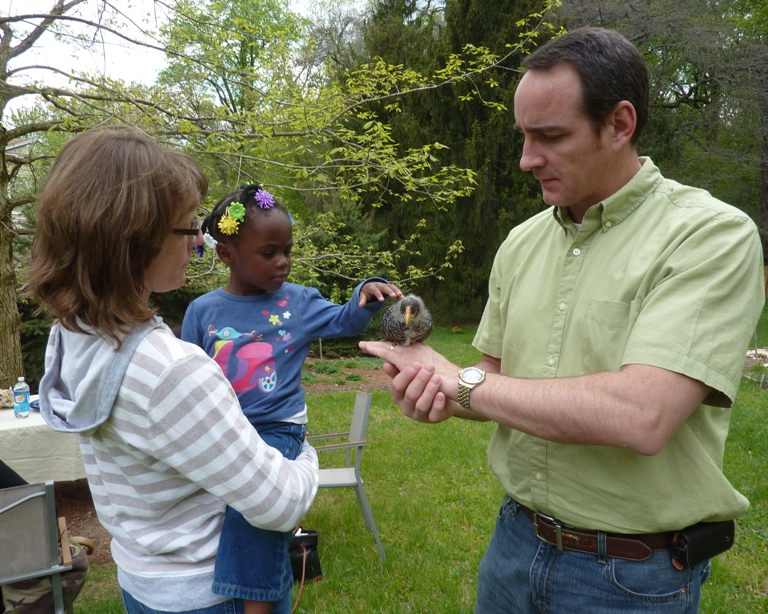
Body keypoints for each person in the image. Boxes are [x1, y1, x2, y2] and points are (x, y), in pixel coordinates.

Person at [360, 27, 766, 613]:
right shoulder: (521, 243)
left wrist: (463, 384)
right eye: (524, 136)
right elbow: (492, 376)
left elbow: (642, 415)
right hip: (513, 546)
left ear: (620, 124)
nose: (527, 160)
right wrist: (434, 392)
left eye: (550, 136)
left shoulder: (708, 235)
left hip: (633, 577)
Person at [24, 127, 319, 614]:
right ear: (134, 240)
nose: (199, 240)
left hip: (144, 584)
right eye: (187, 227)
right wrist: (300, 444)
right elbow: (279, 502)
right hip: (210, 593)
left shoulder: (72, 335)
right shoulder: (170, 370)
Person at [181, 183, 401, 614]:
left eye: (288, 250)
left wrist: (364, 295)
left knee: (256, 505)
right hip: (221, 427)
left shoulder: (296, 302)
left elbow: (343, 321)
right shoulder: (202, 312)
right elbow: (190, 376)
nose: (282, 262)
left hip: (276, 427)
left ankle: (258, 603)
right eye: (269, 253)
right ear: (227, 255)